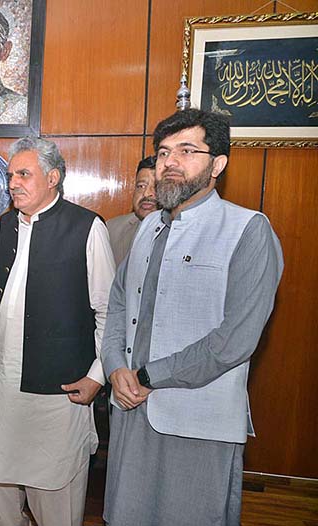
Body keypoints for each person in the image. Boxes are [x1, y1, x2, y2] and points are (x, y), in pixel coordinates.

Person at [101, 109, 284, 526]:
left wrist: (147, 376)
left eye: (187, 150)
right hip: (131, 413)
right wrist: (115, 368)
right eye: (163, 152)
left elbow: (234, 340)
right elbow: (117, 303)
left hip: (198, 419)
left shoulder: (248, 230)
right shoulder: (149, 229)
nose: (170, 162)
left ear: (218, 163)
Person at [0, 137, 116, 526]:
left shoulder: (87, 228)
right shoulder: (6, 224)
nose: (13, 182)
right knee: (2, 486)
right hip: (3, 386)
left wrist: (97, 376)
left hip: (60, 391)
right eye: (10, 175)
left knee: (55, 496)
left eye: (23, 174)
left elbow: (109, 313)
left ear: (53, 178)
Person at [106, 156, 158, 264]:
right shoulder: (112, 229)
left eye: (156, 186)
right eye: (141, 186)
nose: (146, 193)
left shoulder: (184, 233)